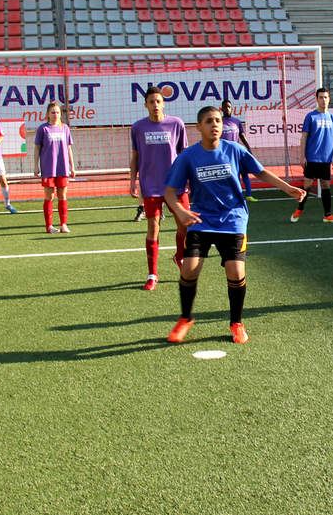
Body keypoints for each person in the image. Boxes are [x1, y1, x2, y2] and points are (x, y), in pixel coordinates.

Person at [164, 106, 305, 344]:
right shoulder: (188, 156)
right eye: (209, 121)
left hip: (233, 219)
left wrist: (287, 188)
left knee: (236, 272)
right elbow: (169, 192)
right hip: (201, 220)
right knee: (189, 269)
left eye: (218, 121)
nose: (215, 125)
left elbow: (261, 172)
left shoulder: (235, 150)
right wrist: (180, 210)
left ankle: (236, 323)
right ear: (199, 127)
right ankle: (185, 318)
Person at [130, 86, 187, 290]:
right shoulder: (138, 127)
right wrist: (133, 181)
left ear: (164, 103)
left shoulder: (176, 124)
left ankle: (180, 257)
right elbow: (135, 157)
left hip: (175, 185)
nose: (155, 105)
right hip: (151, 185)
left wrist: (188, 178)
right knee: (153, 227)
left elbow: (184, 154)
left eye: (158, 101)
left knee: (185, 225)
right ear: (146, 105)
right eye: (151, 102)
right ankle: (152, 274)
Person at [290, 88, 333, 224]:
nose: (323, 100)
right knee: (307, 185)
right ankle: (299, 209)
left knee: (326, 185)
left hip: (326, 159)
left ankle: (327, 215)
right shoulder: (311, 116)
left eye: (325, 97)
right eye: (321, 97)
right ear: (317, 99)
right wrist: (302, 156)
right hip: (312, 158)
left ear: (329, 99)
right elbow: (304, 137)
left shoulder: (332, 117)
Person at [33, 102, 75, 234]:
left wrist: (72, 166)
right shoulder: (43, 129)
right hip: (48, 168)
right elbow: (37, 148)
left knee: (62, 195)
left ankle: (63, 224)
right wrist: (35, 165)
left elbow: (69, 148)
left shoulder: (65, 128)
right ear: (47, 114)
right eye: (52, 112)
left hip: (63, 167)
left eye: (57, 112)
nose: (55, 115)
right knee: (49, 196)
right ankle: (49, 226)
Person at [220, 99, 257, 202]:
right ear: (222, 109)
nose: (227, 109)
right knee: (232, 175)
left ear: (231, 108)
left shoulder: (236, 121)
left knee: (244, 173)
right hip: (225, 154)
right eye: (225, 107)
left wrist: (248, 149)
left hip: (237, 153)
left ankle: (249, 195)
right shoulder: (219, 121)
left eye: (229, 107)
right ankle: (234, 195)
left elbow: (242, 136)